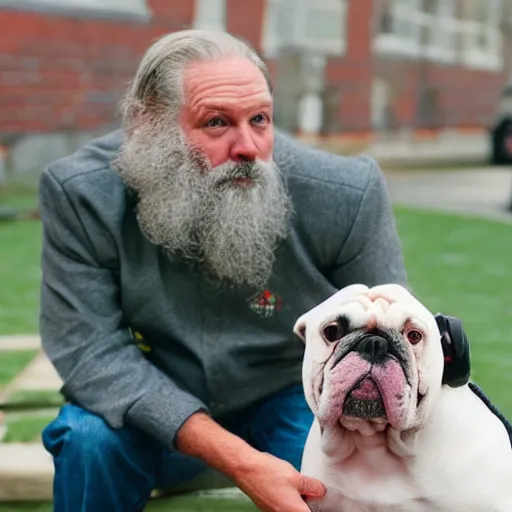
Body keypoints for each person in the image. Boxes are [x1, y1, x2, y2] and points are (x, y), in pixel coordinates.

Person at [38, 29, 408, 512]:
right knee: (89, 441)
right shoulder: (82, 194)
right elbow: (90, 351)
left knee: (341, 475)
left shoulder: (345, 193)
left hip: (290, 390)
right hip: (156, 396)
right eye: (216, 123)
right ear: (149, 126)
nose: (249, 147)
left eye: (260, 119)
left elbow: (392, 338)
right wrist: (237, 459)